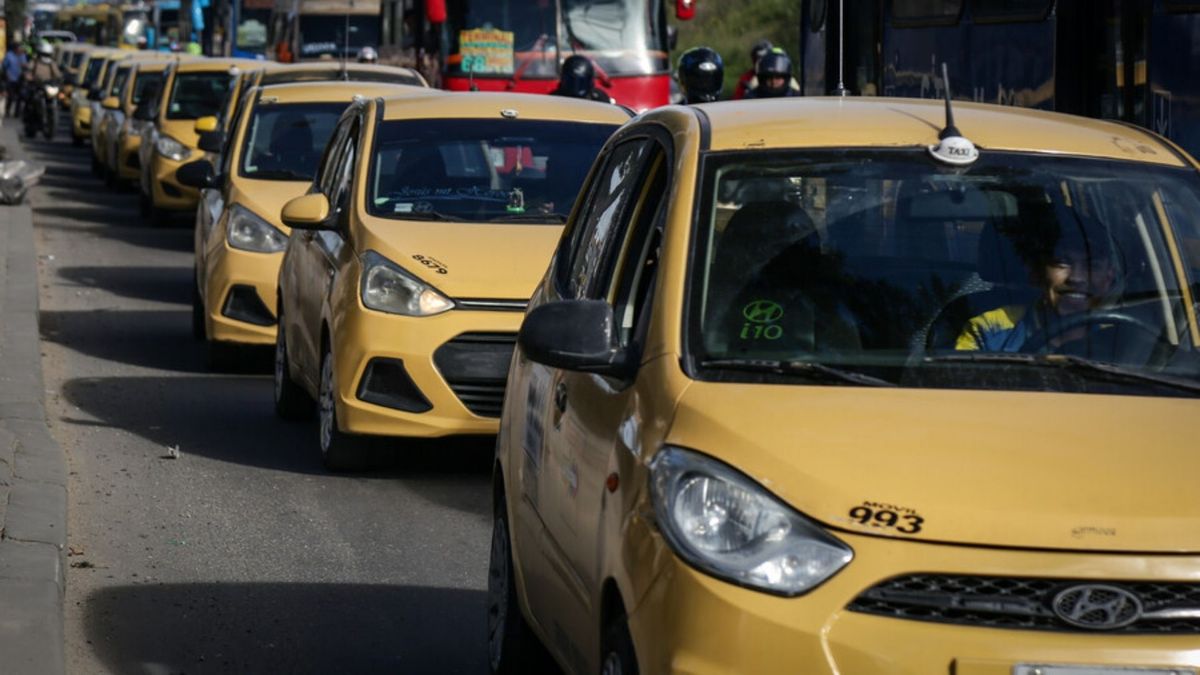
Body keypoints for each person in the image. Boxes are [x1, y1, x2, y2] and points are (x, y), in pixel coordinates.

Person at [956, 218, 1122, 353]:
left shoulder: (1121, 339)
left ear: (1109, 278)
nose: (1077, 278)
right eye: (1062, 262)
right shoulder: (988, 331)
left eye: (1092, 266)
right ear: (1037, 273)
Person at [3, 42, 27, 118]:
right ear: (15, 49)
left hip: (20, 79)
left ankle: (17, 113)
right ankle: (7, 111)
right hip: (11, 79)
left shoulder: (22, 56)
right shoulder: (9, 55)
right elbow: (4, 66)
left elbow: (25, 66)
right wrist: (6, 76)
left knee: (20, 96)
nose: (20, 49)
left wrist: (24, 67)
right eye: (19, 48)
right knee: (10, 96)